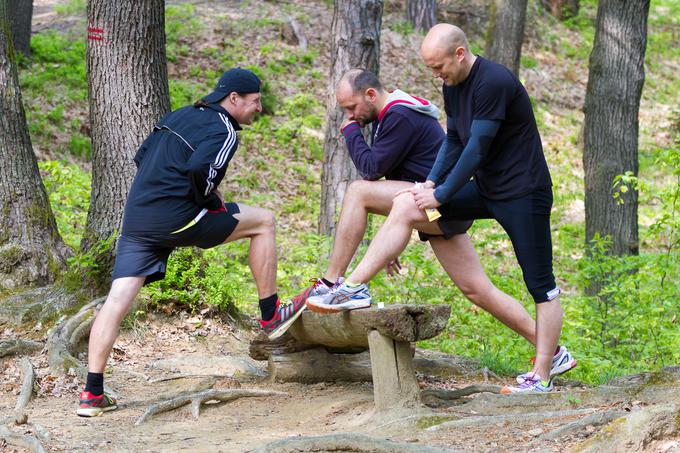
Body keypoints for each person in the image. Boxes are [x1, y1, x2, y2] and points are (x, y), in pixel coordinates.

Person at [308, 27, 576, 394]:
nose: (437, 76)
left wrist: (443, 193)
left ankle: (543, 374)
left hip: (523, 193)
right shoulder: (453, 86)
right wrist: (430, 184)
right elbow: (453, 140)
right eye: (432, 69)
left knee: (541, 286)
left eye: (440, 67)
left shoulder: (493, 82)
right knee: (407, 205)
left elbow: (478, 147)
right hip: (485, 190)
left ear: (460, 53)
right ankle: (353, 287)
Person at [76, 68, 306, 417]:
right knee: (264, 222)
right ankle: (270, 315)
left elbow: (141, 157)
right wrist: (210, 201)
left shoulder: (180, 115)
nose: (258, 108)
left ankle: (92, 394)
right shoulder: (225, 129)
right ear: (234, 99)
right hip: (179, 217)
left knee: (117, 300)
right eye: (255, 101)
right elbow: (201, 167)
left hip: (138, 220)